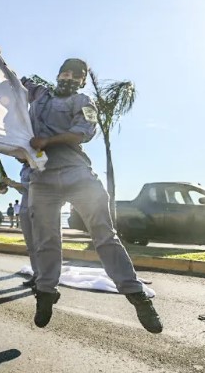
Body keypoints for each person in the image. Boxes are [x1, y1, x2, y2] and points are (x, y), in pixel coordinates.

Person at [24, 58, 161, 333]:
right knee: (46, 240)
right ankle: (46, 293)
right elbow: (10, 81)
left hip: (78, 175)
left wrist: (47, 141)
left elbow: (82, 133)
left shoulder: (83, 101)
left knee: (104, 235)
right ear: (58, 74)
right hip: (42, 179)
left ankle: (137, 295)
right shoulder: (39, 94)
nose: (69, 77)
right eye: (66, 72)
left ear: (82, 81)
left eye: (76, 75)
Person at [17, 162, 38, 288]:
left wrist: (17, 185)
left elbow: (38, 185)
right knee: (30, 245)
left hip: (36, 207)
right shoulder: (23, 168)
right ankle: (36, 274)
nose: (15, 157)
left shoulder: (36, 163)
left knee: (39, 244)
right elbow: (24, 190)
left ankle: (43, 276)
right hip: (24, 208)